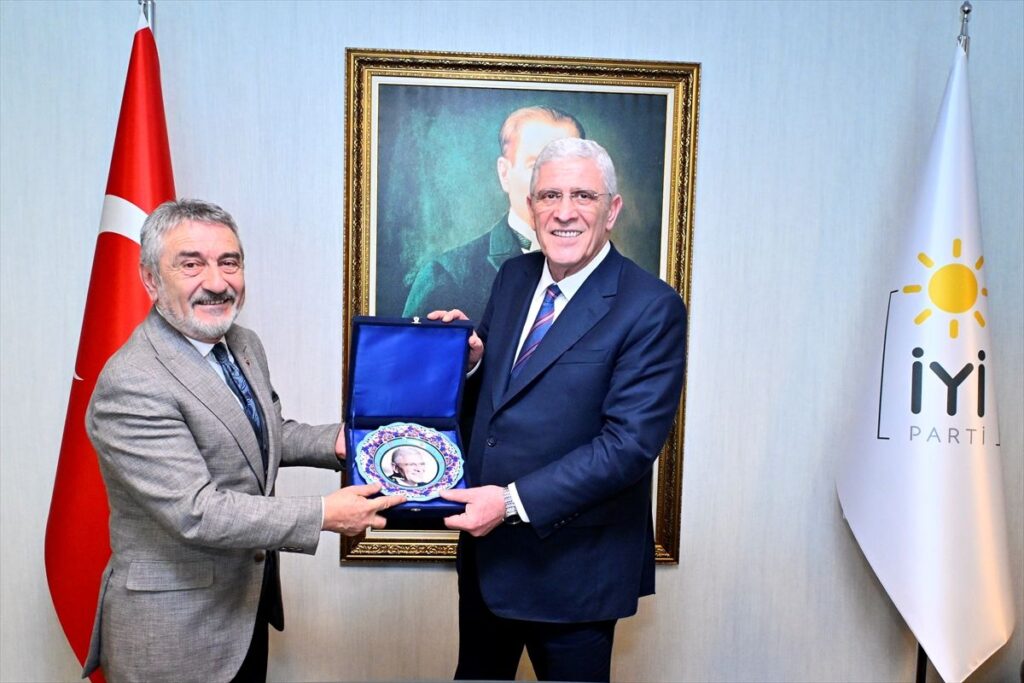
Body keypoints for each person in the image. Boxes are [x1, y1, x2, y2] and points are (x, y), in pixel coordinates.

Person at [81, 199, 404, 683]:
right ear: (150, 279)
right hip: (175, 633)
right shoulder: (133, 381)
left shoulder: (241, 343)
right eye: (191, 264)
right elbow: (197, 511)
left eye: (229, 262)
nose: (217, 282)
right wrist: (323, 514)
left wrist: (346, 441)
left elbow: (263, 432)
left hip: (244, 610)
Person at [432, 139, 687, 682]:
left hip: (576, 573)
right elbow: (500, 402)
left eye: (583, 196)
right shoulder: (513, 278)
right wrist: (467, 363)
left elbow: (628, 447)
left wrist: (507, 503)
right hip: (488, 561)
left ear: (611, 210)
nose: (564, 211)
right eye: (550, 195)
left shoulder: (652, 307)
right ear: (530, 207)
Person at [403, 106, 584, 323]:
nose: (553, 183)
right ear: (504, 173)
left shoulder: (608, 274)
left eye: (567, 167)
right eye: (536, 166)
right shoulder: (446, 276)